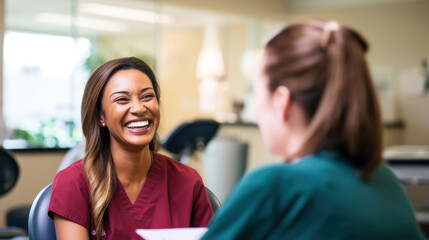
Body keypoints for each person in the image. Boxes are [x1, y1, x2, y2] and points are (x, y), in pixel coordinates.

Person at [202, 20, 424, 239]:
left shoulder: (274, 186)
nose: (257, 110)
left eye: (257, 93)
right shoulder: (384, 179)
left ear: (281, 100)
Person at [48, 57, 214, 240]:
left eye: (147, 97)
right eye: (122, 99)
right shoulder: (73, 183)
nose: (138, 107)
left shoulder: (188, 181)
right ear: (101, 116)